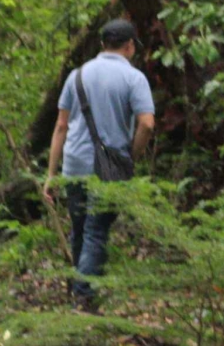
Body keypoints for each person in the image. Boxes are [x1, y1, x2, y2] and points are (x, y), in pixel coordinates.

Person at [42, 18, 157, 307]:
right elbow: (147, 124)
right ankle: (84, 296)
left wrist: (51, 174)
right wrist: (132, 155)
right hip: (110, 167)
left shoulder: (76, 76)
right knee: (96, 231)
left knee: (80, 228)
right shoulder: (134, 78)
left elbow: (60, 126)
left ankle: (78, 288)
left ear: (103, 44)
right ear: (130, 46)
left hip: (74, 165)